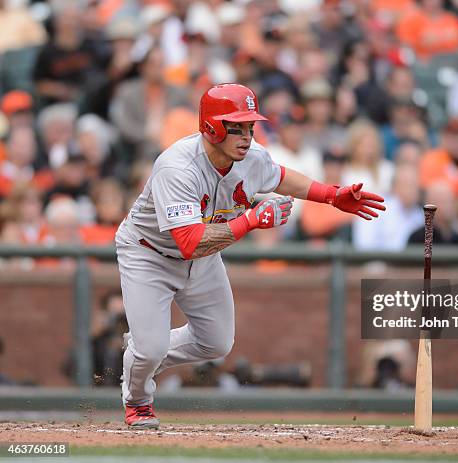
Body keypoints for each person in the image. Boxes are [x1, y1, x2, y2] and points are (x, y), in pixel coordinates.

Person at [115, 83, 385, 428]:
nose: (246, 135)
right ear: (212, 127)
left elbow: (280, 177)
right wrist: (250, 221)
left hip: (203, 254)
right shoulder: (177, 167)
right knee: (150, 349)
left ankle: (141, 351)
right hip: (149, 254)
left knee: (216, 342)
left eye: (249, 127)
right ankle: (138, 399)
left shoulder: (250, 155)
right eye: (236, 127)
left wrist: (331, 195)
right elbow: (189, 242)